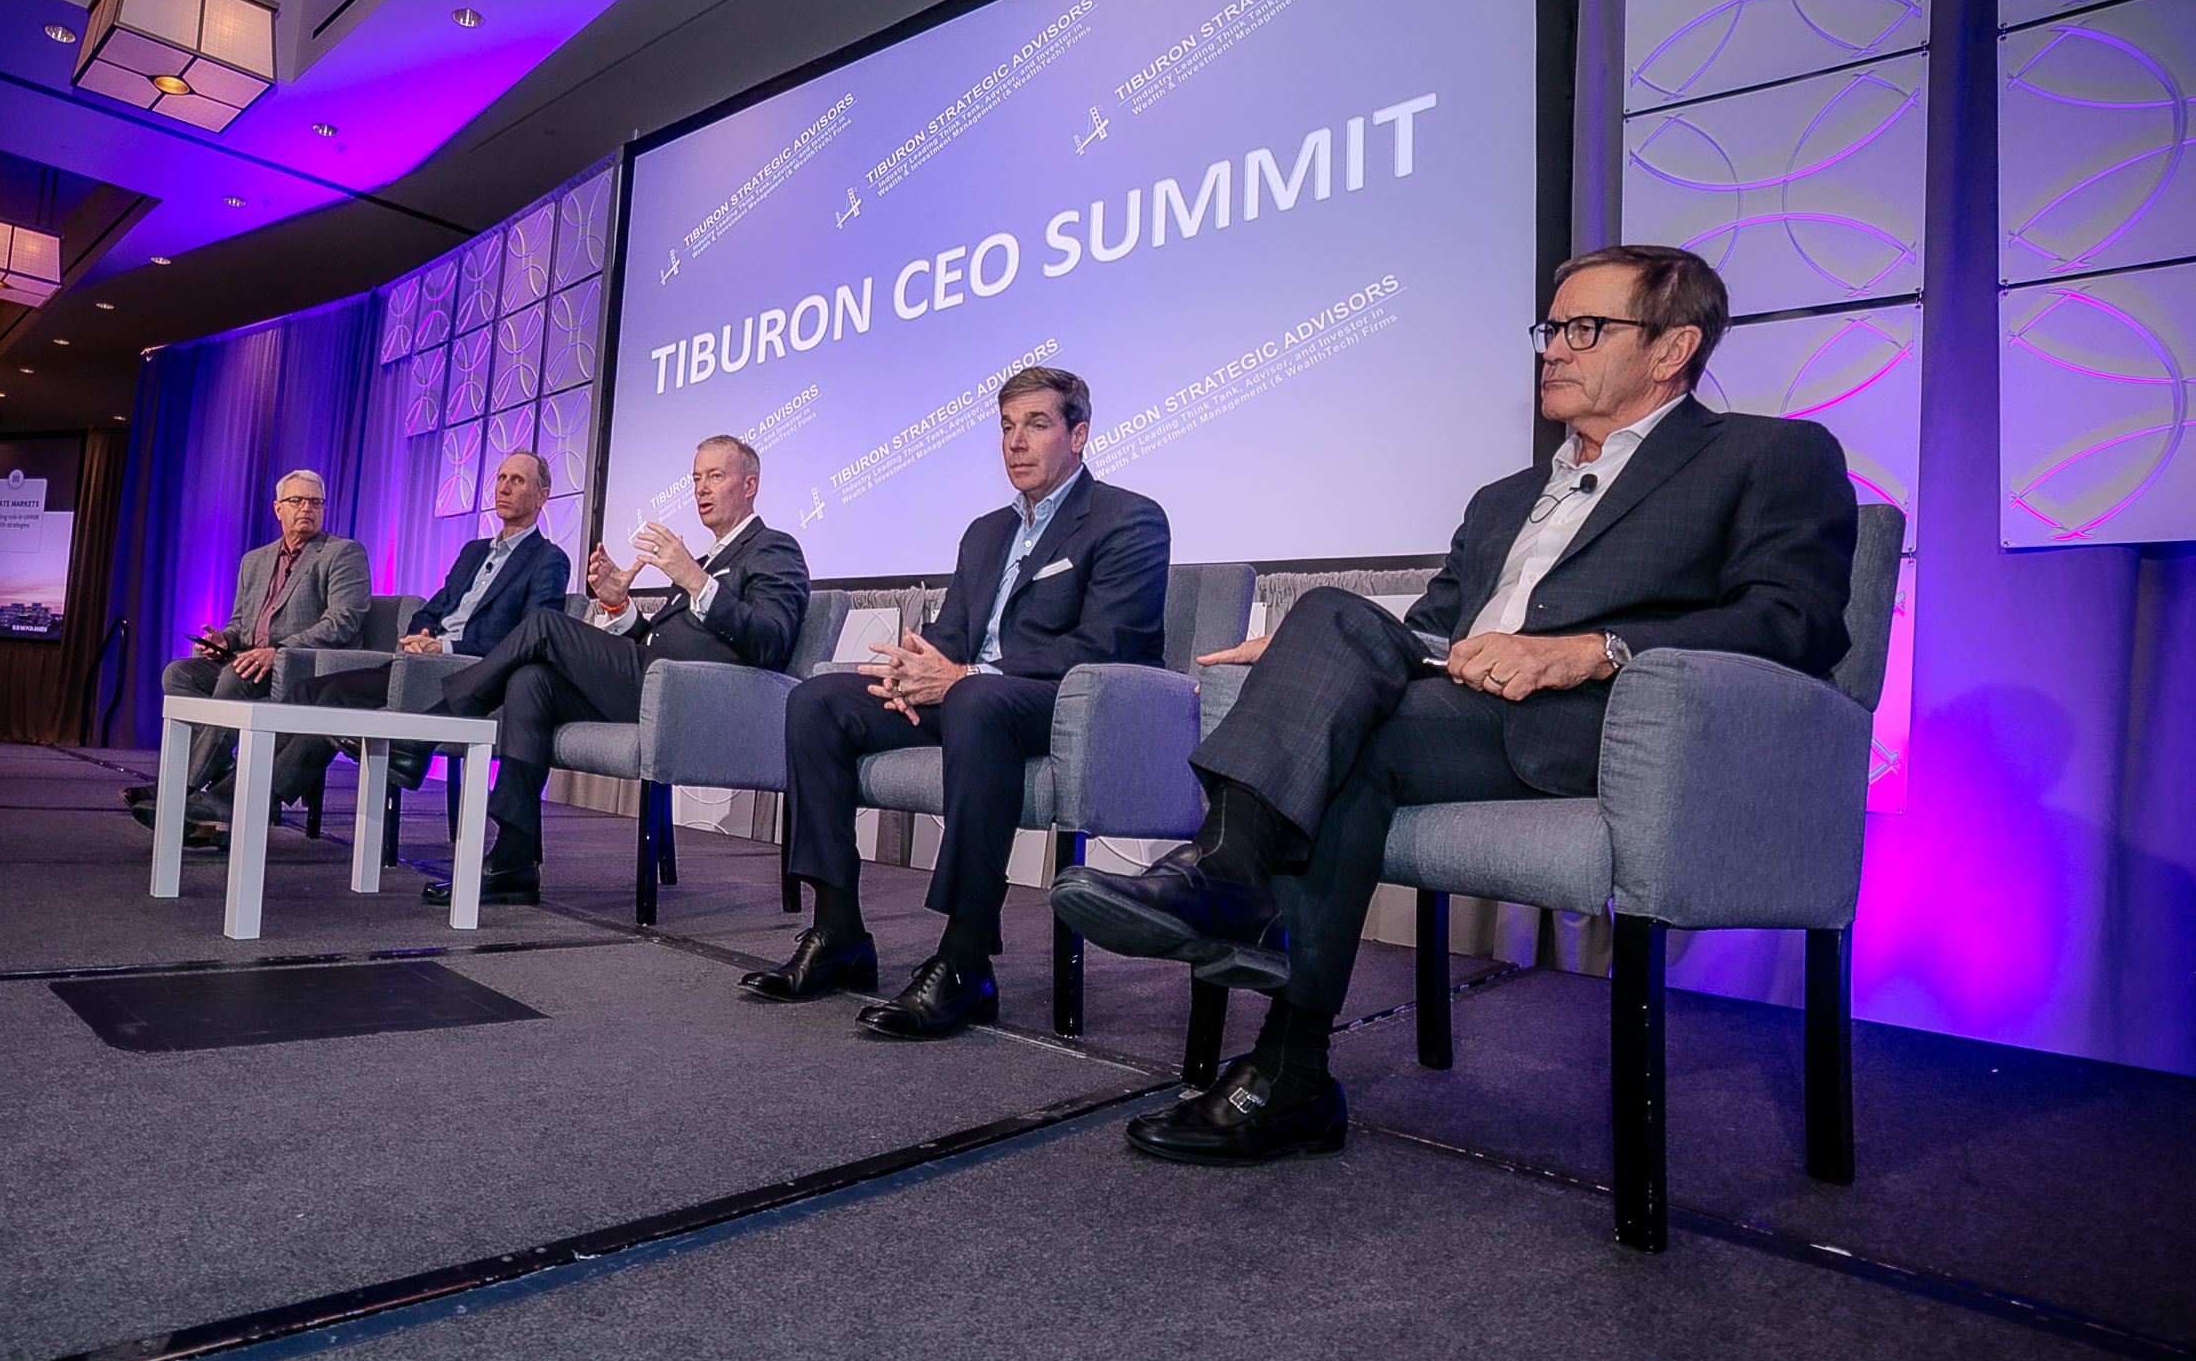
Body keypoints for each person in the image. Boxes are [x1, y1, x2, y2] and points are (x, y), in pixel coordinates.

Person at [1050, 245, 1856, 1164]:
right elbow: (1433, 629)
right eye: (1551, 327)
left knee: (1343, 711)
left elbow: (1795, 620)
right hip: (1457, 715)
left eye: (1585, 329)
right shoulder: (1505, 496)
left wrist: (1593, 649)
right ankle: (1287, 1062)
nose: (1554, 348)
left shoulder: (1767, 454)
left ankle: (1231, 896)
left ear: (1673, 349)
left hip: (1612, 726)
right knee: (1332, 654)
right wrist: (1311, 657)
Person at [746, 366, 1170, 1038]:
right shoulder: (985, 532)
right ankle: (838, 932)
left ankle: (966, 960)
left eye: (1036, 424)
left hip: (1068, 704)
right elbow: (951, 634)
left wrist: (966, 673)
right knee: (819, 700)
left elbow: (1109, 643)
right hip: (974, 693)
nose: (1016, 442)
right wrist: (912, 670)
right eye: (1006, 427)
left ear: (1079, 434)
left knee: (974, 698)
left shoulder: (1128, 519)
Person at [422, 434, 810, 906]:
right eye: (696, 478)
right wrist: (619, 605)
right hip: (654, 684)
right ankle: (513, 860)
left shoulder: (773, 548)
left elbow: (771, 641)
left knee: (545, 626)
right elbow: (655, 641)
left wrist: (695, 580)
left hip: (697, 701)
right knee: (530, 681)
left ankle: (429, 728)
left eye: (715, 476)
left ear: (749, 485)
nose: (701, 489)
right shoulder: (708, 560)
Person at [257, 449, 572, 809]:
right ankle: (249, 791)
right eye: (501, 478)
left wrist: (447, 648)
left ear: (542, 496)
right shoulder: (474, 551)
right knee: (306, 690)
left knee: (333, 699)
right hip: (421, 664)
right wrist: (422, 637)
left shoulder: (548, 559)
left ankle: (257, 800)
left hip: (471, 677)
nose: (504, 488)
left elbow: (529, 637)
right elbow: (433, 608)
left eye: (517, 480)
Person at [123, 468, 370, 838]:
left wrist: (279, 651)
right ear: (278, 508)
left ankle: (180, 789)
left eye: (315, 502)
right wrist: (224, 640)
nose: (307, 508)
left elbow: (342, 623)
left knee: (235, 675)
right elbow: (241, 623)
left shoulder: (342, 553)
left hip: (303, 667)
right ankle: (218, 769)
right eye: (297, 501)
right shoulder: (255, 560)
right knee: (178, 673)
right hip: (252, 660)